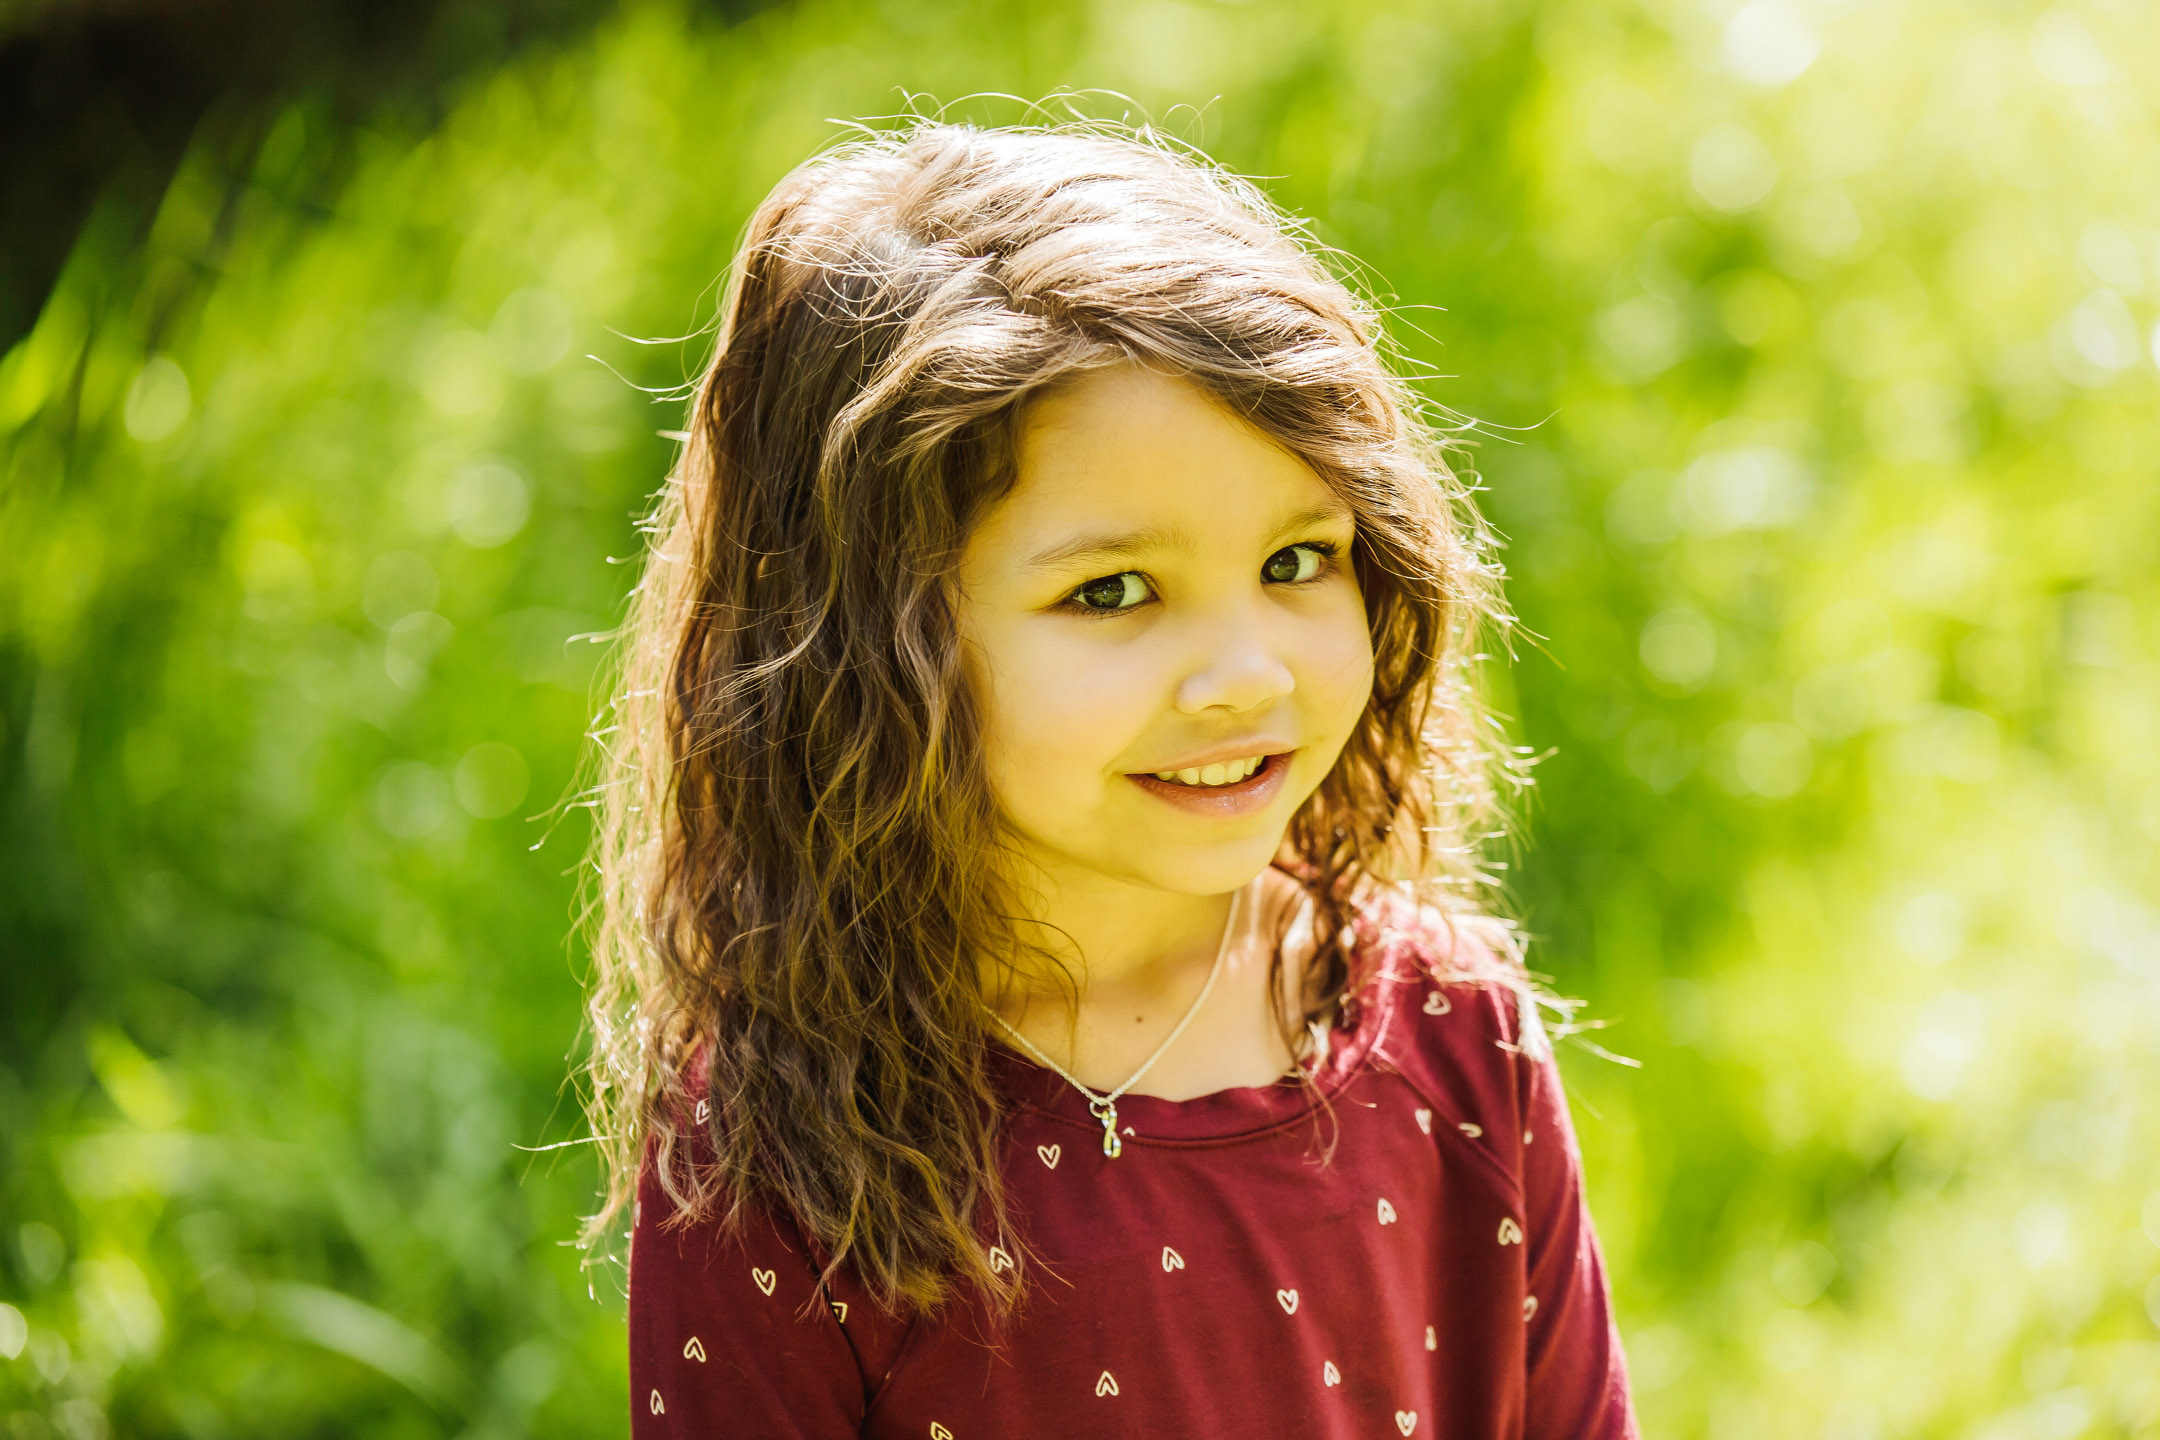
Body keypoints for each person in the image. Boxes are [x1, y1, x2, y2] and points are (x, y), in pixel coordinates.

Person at [577, 118, 1640, 1439]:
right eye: (1115, 591)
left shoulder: (1453, 1037)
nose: (1247, 674)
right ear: (872, 646)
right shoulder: (783, 1152)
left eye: (1299, 560)